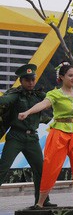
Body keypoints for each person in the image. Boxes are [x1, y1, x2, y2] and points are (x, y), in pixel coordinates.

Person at [18, 62, 73, 207]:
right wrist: (27, 112)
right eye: (70, 75)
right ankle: (40, 203)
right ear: (62, 77)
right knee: (51, 166)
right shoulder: (55, 94)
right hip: (59, 133)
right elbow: (43, 105)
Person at [0, 64, 56, 207]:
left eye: (33, 79)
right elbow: (4, 101)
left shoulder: (39, 95)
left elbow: (53, 101)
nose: (31, 82)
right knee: (3, 168)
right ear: (21, 81)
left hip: (32, 138)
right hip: (16, 137)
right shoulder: (15, 94)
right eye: (27, 80)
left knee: (40, 170)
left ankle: (42, 201)